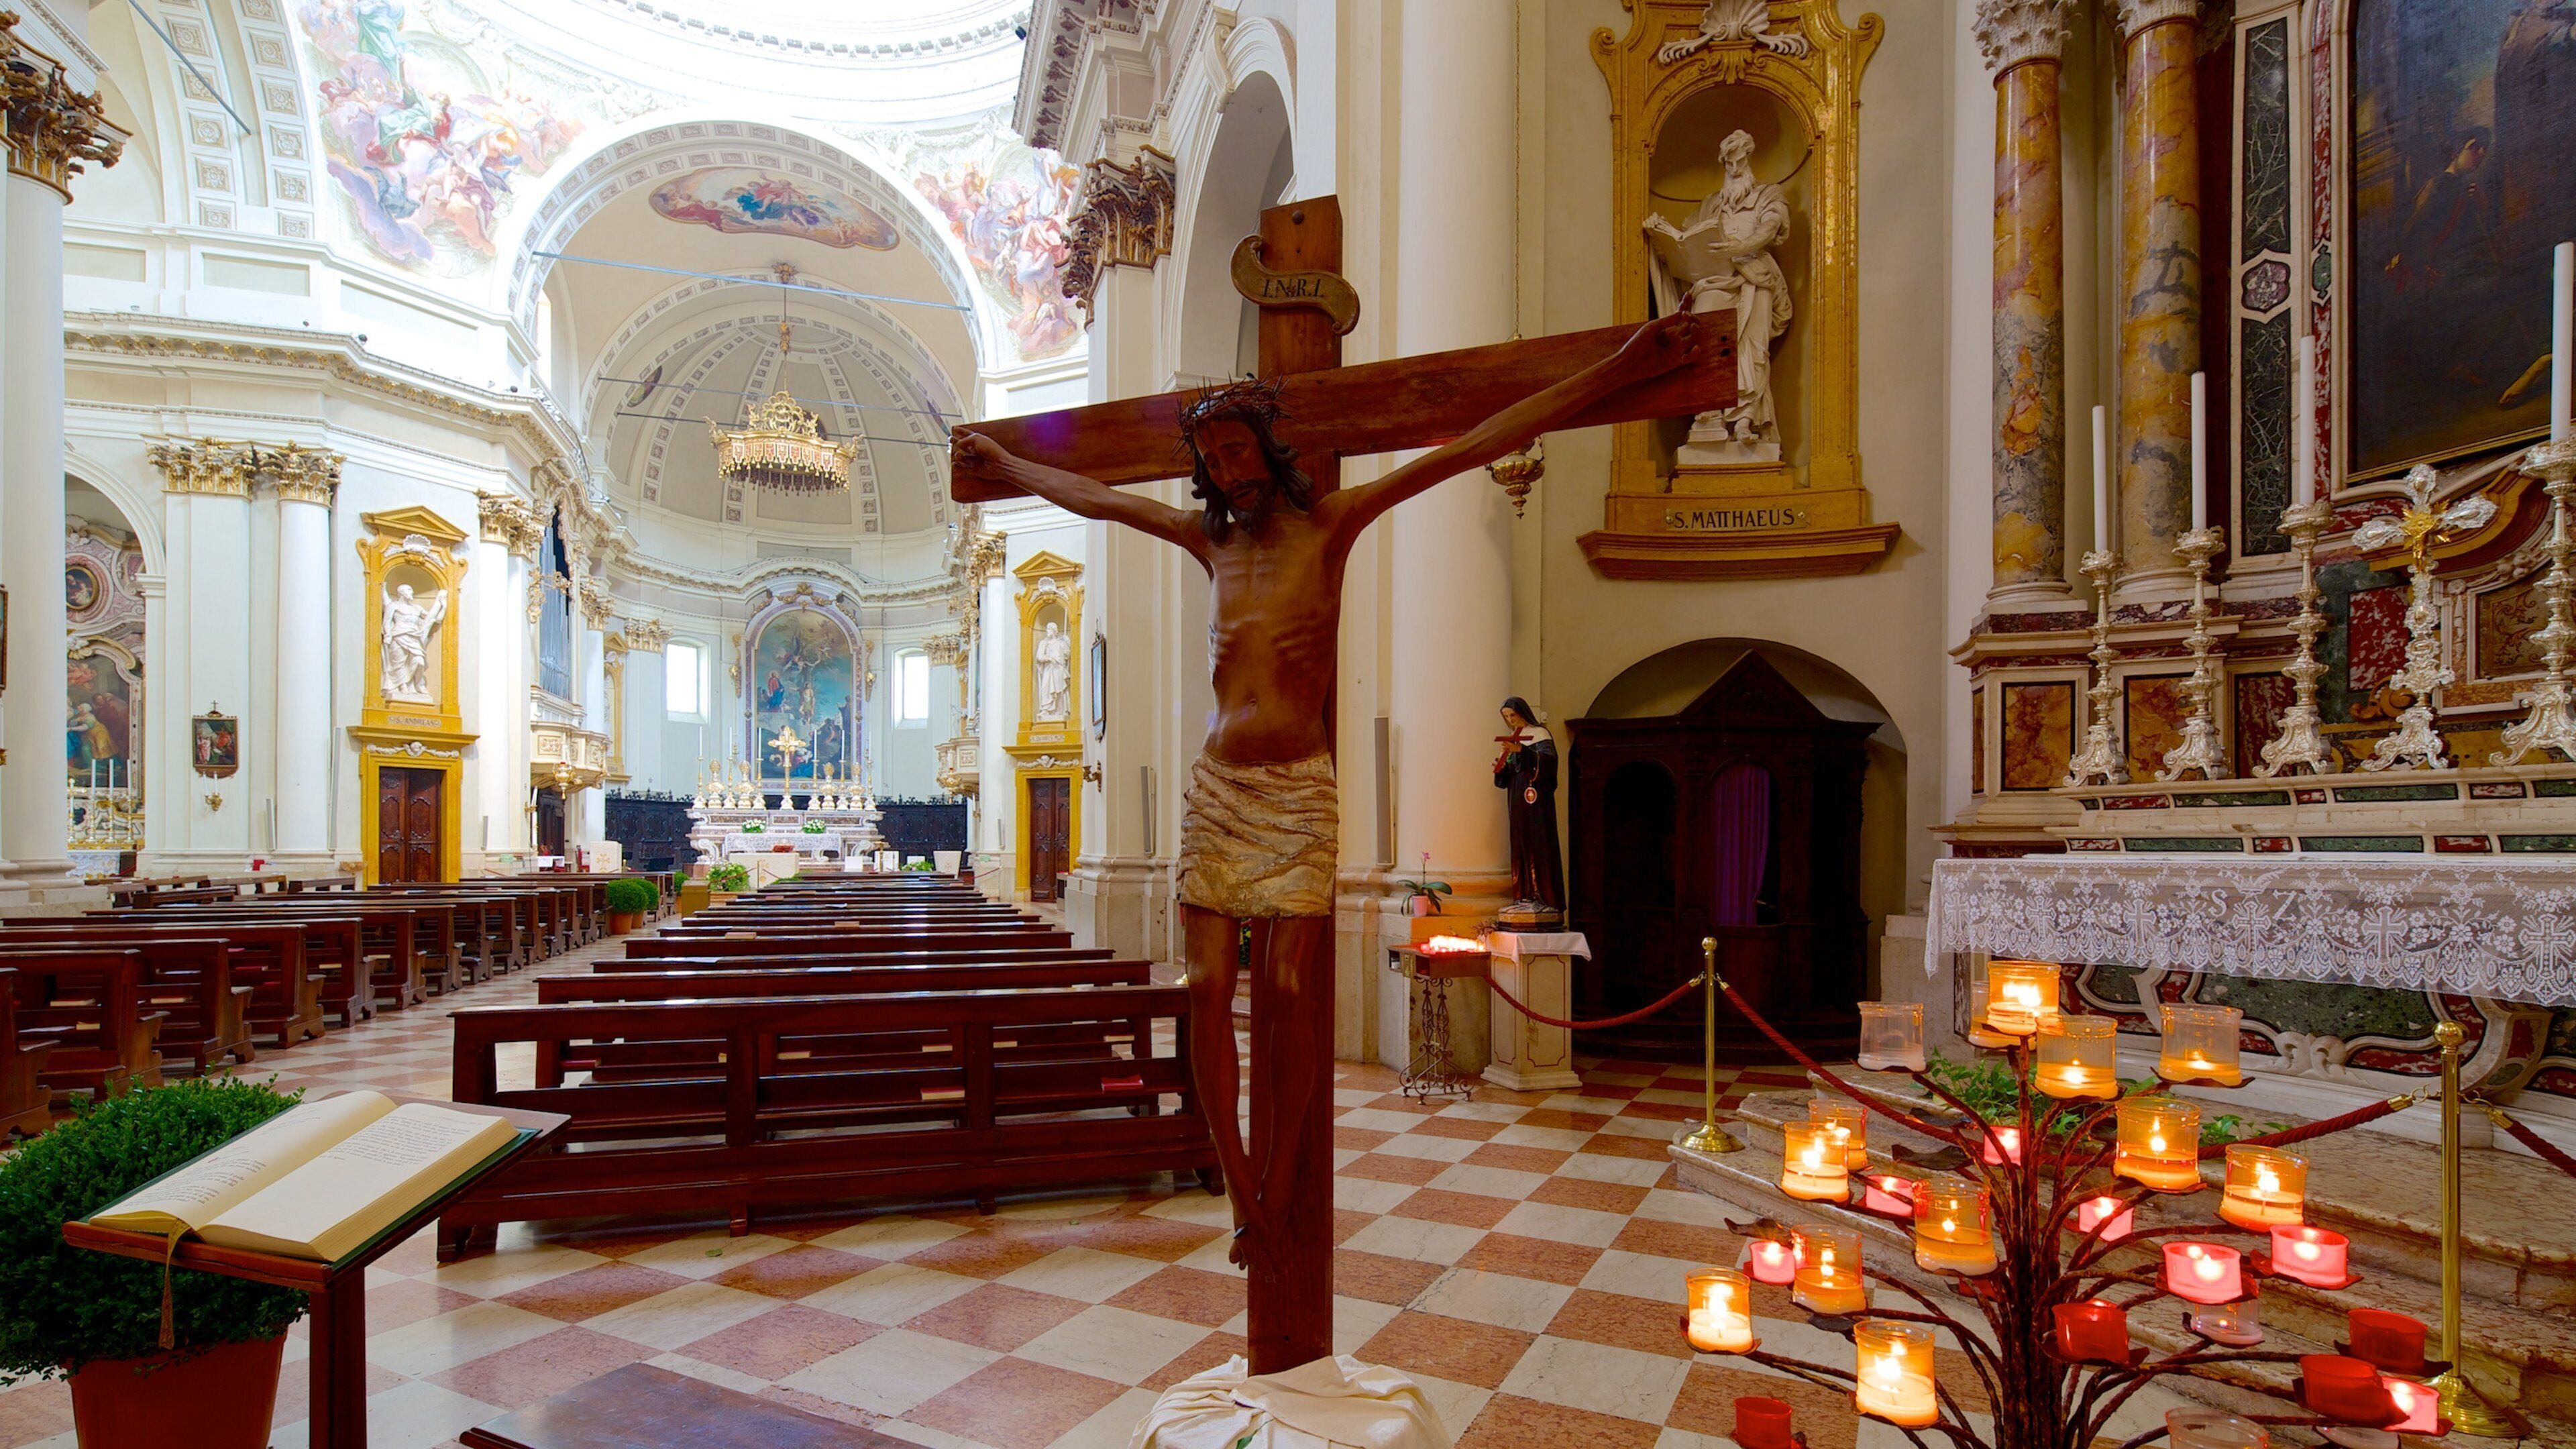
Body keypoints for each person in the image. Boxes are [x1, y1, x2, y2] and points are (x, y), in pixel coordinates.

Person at [952, 311, 1704, 1269]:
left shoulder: (1332, 524)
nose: (1227, 468)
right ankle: (1234, 1180)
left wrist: (1620, 367)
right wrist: (1003, 466)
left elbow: (1476, 440)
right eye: (1212, 457)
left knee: (1297, 990)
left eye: (1237, 449)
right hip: (1221, 789)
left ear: (1270, 447)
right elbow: (1095, 499)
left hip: (1300, 791)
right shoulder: (1204, 540)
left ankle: (1283, 1172)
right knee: (1206, 992)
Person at [1493, 697, 1564, 914]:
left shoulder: (1539, 734)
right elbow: (1505, 778)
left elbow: (1549, 765)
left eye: (1512, 715)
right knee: (1521, 844)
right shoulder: (1514, 738)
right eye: (1506, 717)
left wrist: (1522, 752)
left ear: (1523, 713)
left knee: (1538, 844)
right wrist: (1501, 766)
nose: (1510, 720)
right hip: (1517, 800)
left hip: (1537, 803)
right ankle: (1523, 895)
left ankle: (1543, 898)